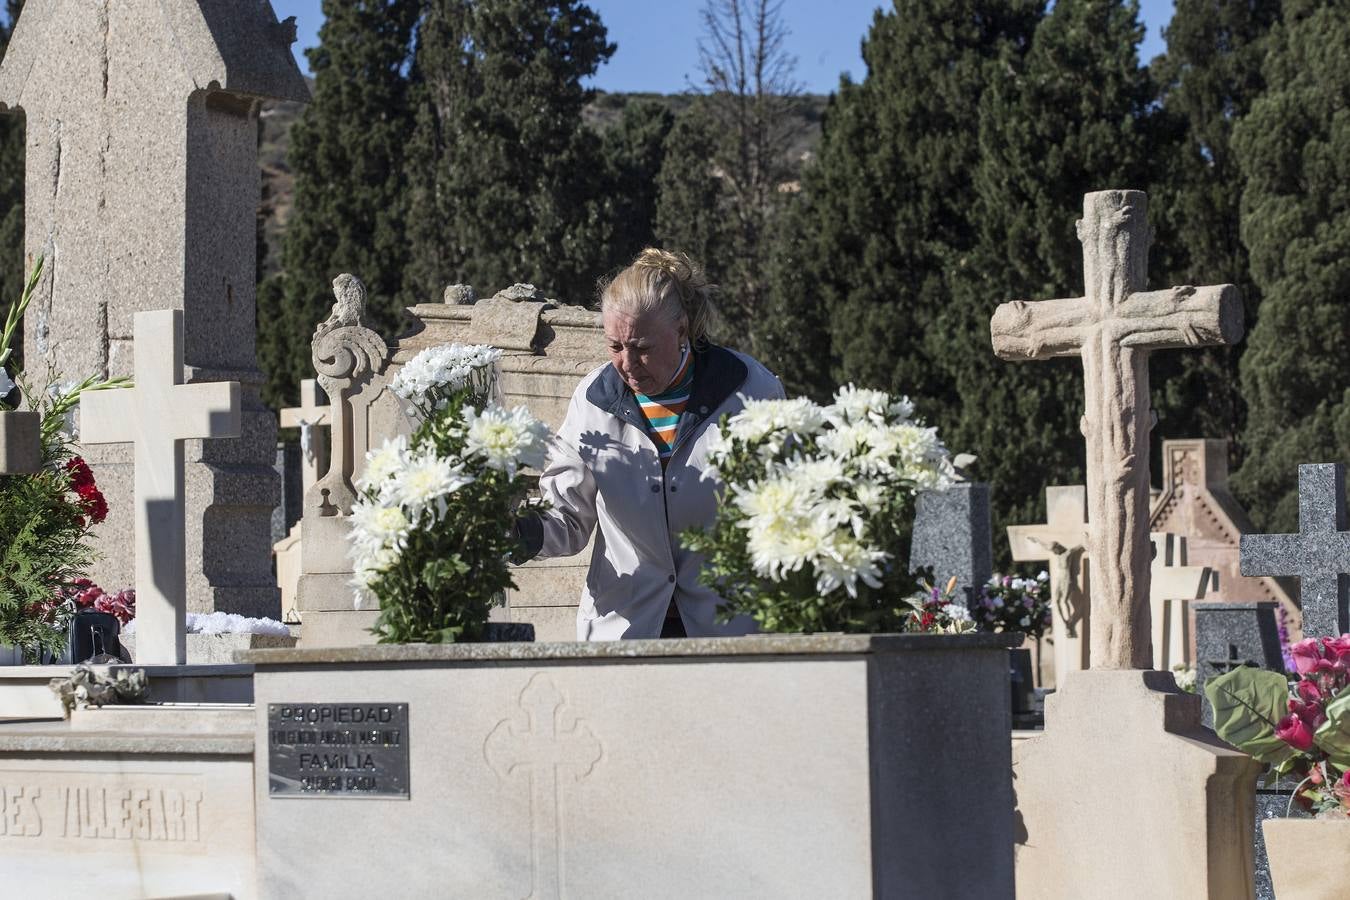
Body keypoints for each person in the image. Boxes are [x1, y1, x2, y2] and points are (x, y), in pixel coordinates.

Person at [515, 249, 785, 639]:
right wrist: (515, 532)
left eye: (642, 347)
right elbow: (568, 519)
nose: (627, 363)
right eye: (614, 347)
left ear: (681, 330)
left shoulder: (751, 391)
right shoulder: (592, 399)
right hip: (624, 629)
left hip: (730, 630)